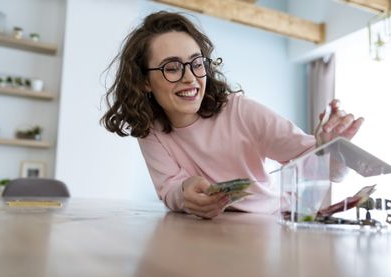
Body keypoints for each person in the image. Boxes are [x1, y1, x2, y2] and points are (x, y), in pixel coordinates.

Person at [101, 11, 364, 219]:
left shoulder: (242, 112)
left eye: (196, 63)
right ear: (144, 80)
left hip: (267, 227)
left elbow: (330, 172)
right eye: (172, 68)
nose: (190, 78)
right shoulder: (150, 128)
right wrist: (185, 193)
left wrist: (333, 149)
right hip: (205, 235)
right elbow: (169, 188)